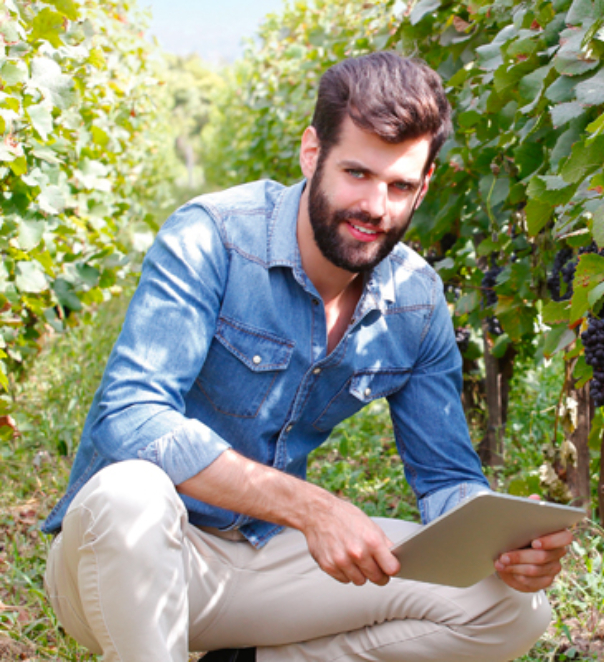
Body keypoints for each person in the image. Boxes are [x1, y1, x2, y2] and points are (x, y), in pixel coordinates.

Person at [41, 52, 573, 662]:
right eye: (357, 173)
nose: (376, 206)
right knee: (132, 491)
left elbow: (447, 478)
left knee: (506, 606)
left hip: (259, 561)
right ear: (311, 153)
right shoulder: (211, 237)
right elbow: (130, 419)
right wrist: (312, 507)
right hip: (117, 564)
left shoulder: (416, 299)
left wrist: (501, 540)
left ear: (424, 187)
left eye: (400, 186)